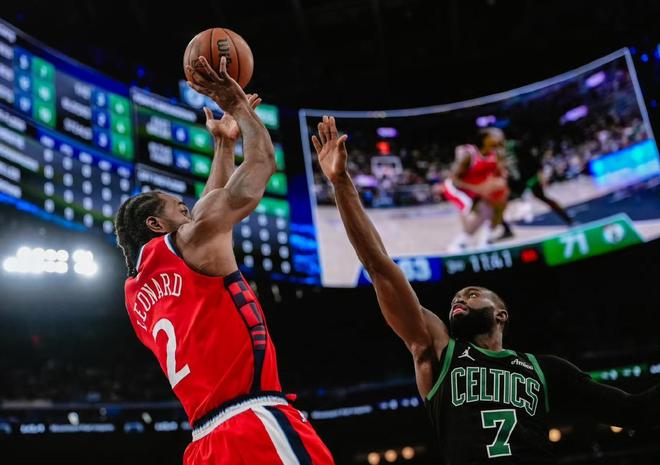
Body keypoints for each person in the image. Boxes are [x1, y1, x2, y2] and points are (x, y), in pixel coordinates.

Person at [311, 115, 659, 465]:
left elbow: (633, 410)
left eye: (473, 293)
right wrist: (341, 184)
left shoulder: (545, 370)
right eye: (457, 297)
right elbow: (379, 265)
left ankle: (494, 226)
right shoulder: (437, 351)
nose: (460, 298)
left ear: (501, 314)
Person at [115, 56, 334, 465]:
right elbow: (261, 166)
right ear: (156, 224)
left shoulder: (134, 294)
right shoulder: (190, 239)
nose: (190, 211)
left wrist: (224, 145)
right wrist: (240, 108)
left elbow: (205, 216)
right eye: (180, 209)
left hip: (204, 444)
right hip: (254, 423)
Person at [444, 128, 512, 252]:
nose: (499, 137)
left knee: (492, 211)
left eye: (500, 136)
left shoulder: (497, 154)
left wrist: (499, 179)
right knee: (479, 213)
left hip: (476, 188)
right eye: (495, 135)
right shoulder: (469, 154)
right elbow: (454, 178)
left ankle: (483, 242)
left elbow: (499, 173)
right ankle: (457, 244)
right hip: (457, 188)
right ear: (484, 139)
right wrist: (478, 189)